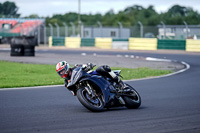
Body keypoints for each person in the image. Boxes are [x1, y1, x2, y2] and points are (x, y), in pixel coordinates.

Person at [56, 61, 126, 95]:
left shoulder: (76, 67)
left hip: (91, 75)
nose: (62, 73)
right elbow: (74, 93)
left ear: (67, 67)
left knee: (104, 68)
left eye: (63, 71)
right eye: (60, 72)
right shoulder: (66, 83)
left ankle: (121, 84)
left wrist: (89, 65)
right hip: (83, 86)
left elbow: (84, 65)